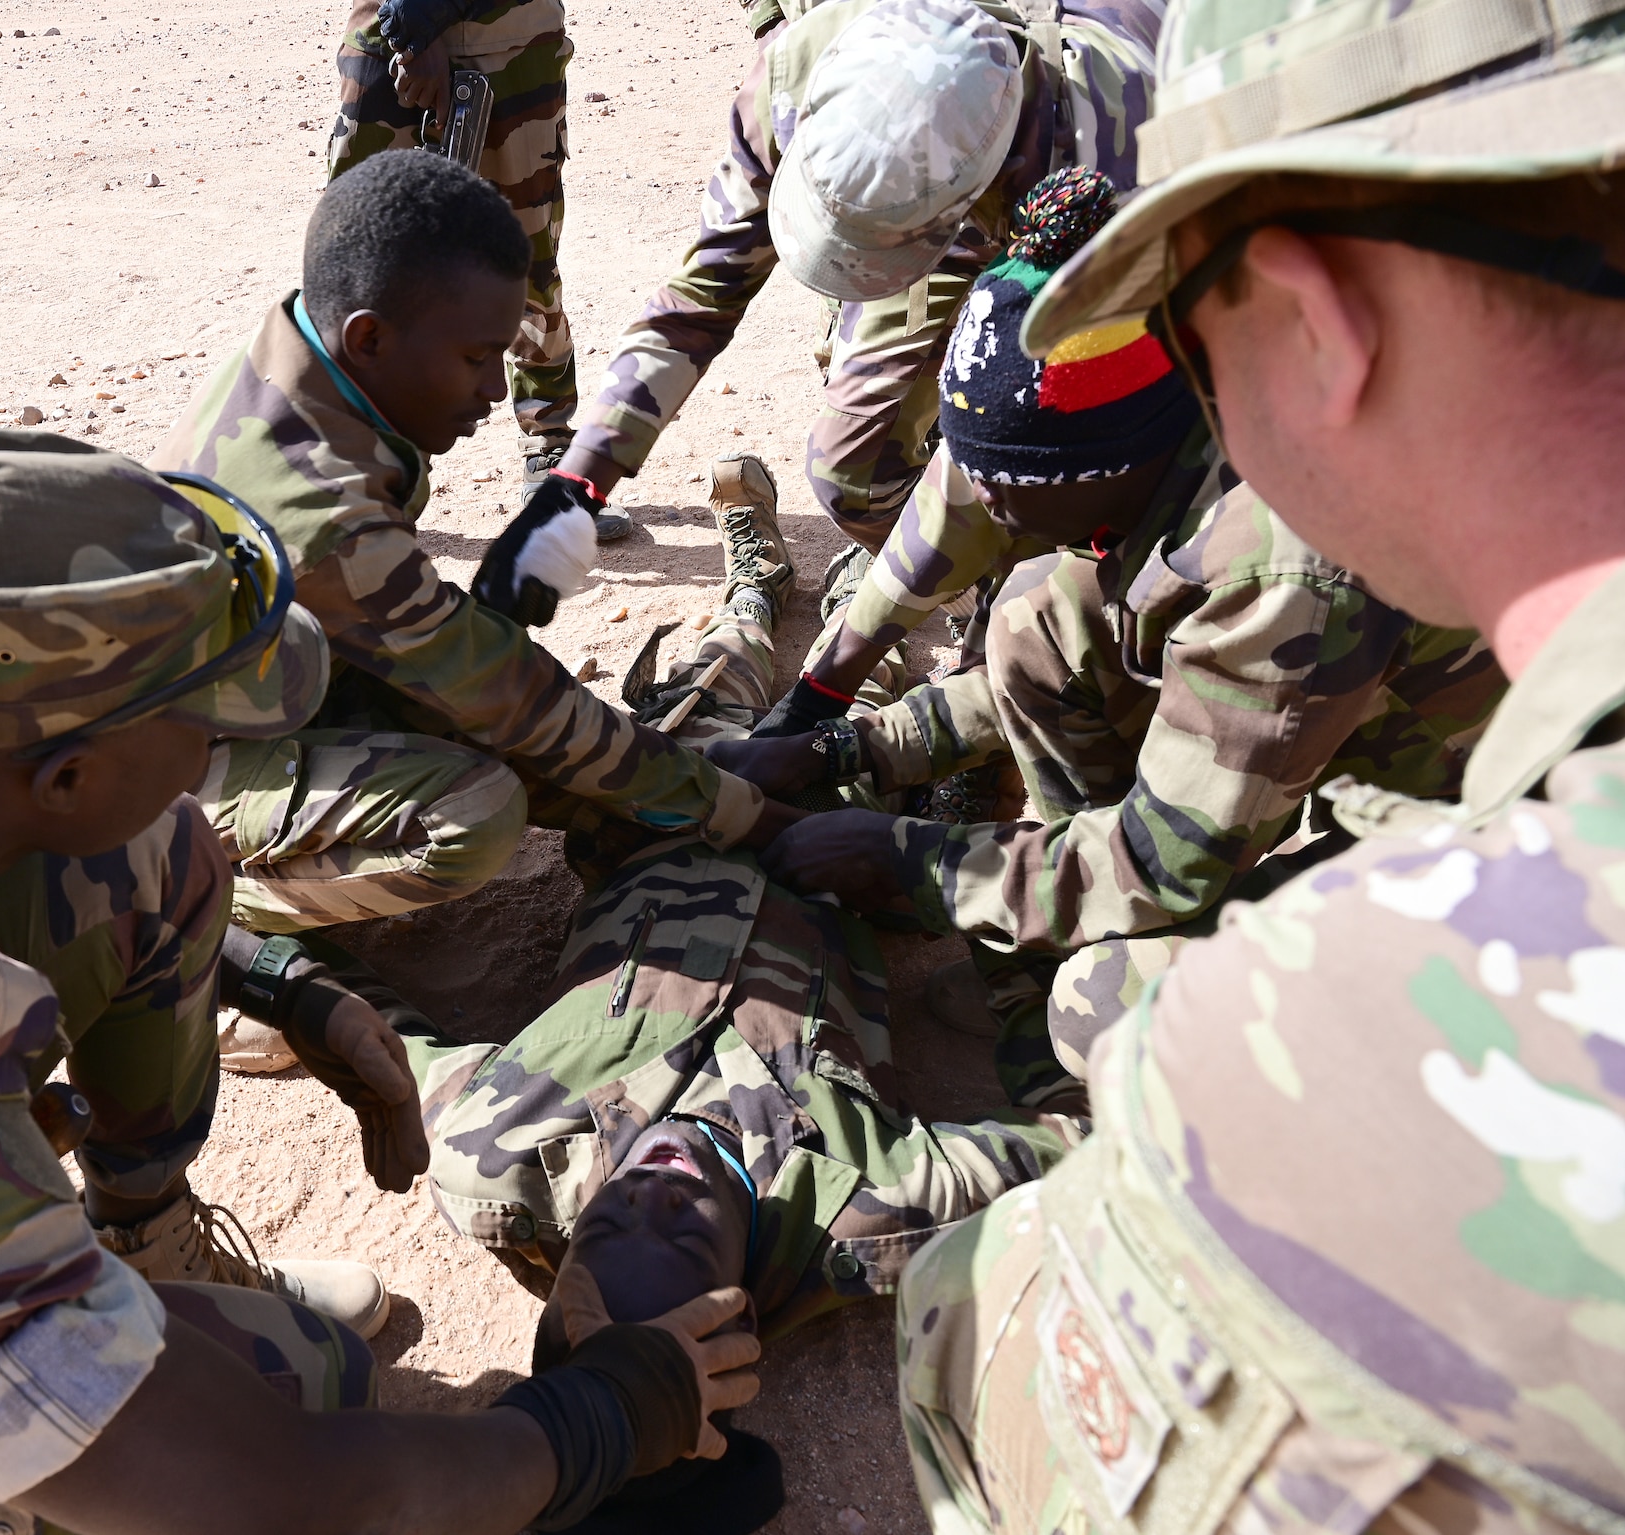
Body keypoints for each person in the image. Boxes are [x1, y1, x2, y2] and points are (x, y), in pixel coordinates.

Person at [0, 433, 758, 1535]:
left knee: (159, 857)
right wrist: (601, 1413)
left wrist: (283, 985)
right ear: (64, 774)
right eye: (209, 726)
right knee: (271, 1406)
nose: (219, 759)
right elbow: (269, 1496)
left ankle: (136, 1238)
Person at [893, 0, 1625, 1530]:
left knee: (977, 1288)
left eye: (1184, 330)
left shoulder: (1374, 1018)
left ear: (1312, 322)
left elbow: (1163, 860)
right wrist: (859, 724)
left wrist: (911, 860)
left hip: (1284, 867)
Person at [724, 167, 1506, 1107]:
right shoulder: (1177, 439)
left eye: (1011, 492)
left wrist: (903, 859)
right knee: (1030, 617)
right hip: (1333, 732)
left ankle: (1115, 1096)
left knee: (1101, 1001)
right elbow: (1038, 636)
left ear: (1106, 467)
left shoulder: (1280, 568)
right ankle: (1050, 935)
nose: (992, 510)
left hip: (1474, 838)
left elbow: (1160, 862)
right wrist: (847, 742)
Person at [226, 506, 1082, 1340]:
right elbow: (1084, 1145)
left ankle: (755, 589)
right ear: (741, 1300)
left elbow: (372, 1035)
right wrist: (999, 944)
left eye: (606, 1224)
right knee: (874, 701)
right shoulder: (871, 1203)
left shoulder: (509, 1154)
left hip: (657, 817)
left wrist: (239, 954)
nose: (654, 1189)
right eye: (685, 1234)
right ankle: (865, 596)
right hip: (845, 839)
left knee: (720, 672)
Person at [158, 150, 787, 979]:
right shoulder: (326, 515)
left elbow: (461, 662)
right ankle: (182, 907)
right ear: (370, 336)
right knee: (476, 811)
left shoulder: (300, 353)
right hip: (162, 785)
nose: (497, 391)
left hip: (255, 692)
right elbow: (505, 691)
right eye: (476, 358)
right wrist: (741, 812)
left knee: (567, 762)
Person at [538, 0, 1159, 557]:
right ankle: (964, 582)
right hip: (950, 187)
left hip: (1056, 200)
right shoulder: (799, 72)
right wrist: (579, 481)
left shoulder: (1123, 157)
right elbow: (701, 297)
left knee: (1074, 456)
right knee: (855, 475)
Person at [328, 0, 577, 503]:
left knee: (523, 265)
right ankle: (368, 455)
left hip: (510, 42)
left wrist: (422, 15)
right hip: (387, 47)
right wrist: (409, 27)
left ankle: (550, 441)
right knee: (364, 266)